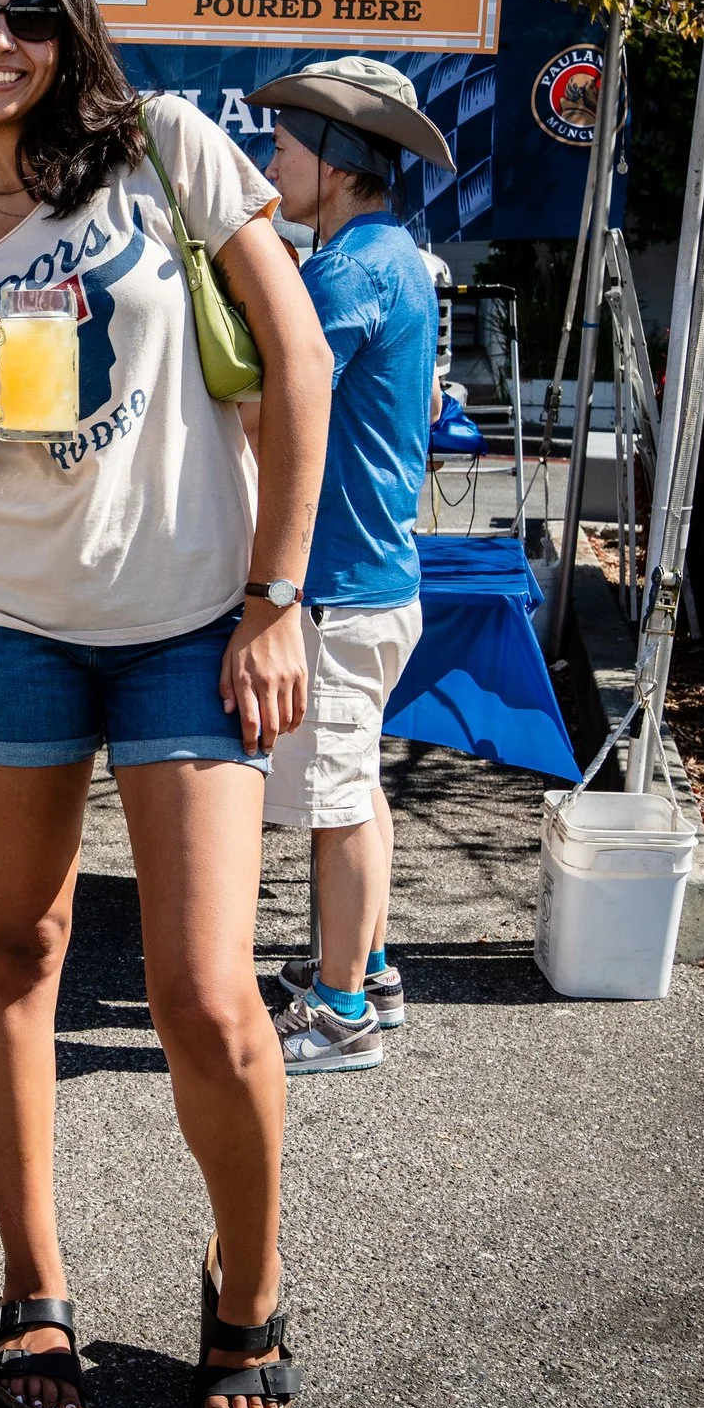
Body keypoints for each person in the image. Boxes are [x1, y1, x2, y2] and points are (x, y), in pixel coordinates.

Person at [0, 0, 331, 1408]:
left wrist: (277, 597)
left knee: (205, 994)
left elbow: (299, 361)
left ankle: (248, 1278)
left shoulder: (169, 146)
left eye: (28, 14)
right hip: (8, 623)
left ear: (69, 31)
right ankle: (33, 1282)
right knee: (11, 953)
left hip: (190, 624)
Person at [247, 59, 450, 1072]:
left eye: (284, 144)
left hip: (334, 587)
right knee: (356, 784)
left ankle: (338, 1015)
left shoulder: (344, 272)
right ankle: (365, 964)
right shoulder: (394, 256)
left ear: (335, 160)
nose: (269, 159)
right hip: (374, 578)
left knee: (334, 806)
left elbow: (278, 408)